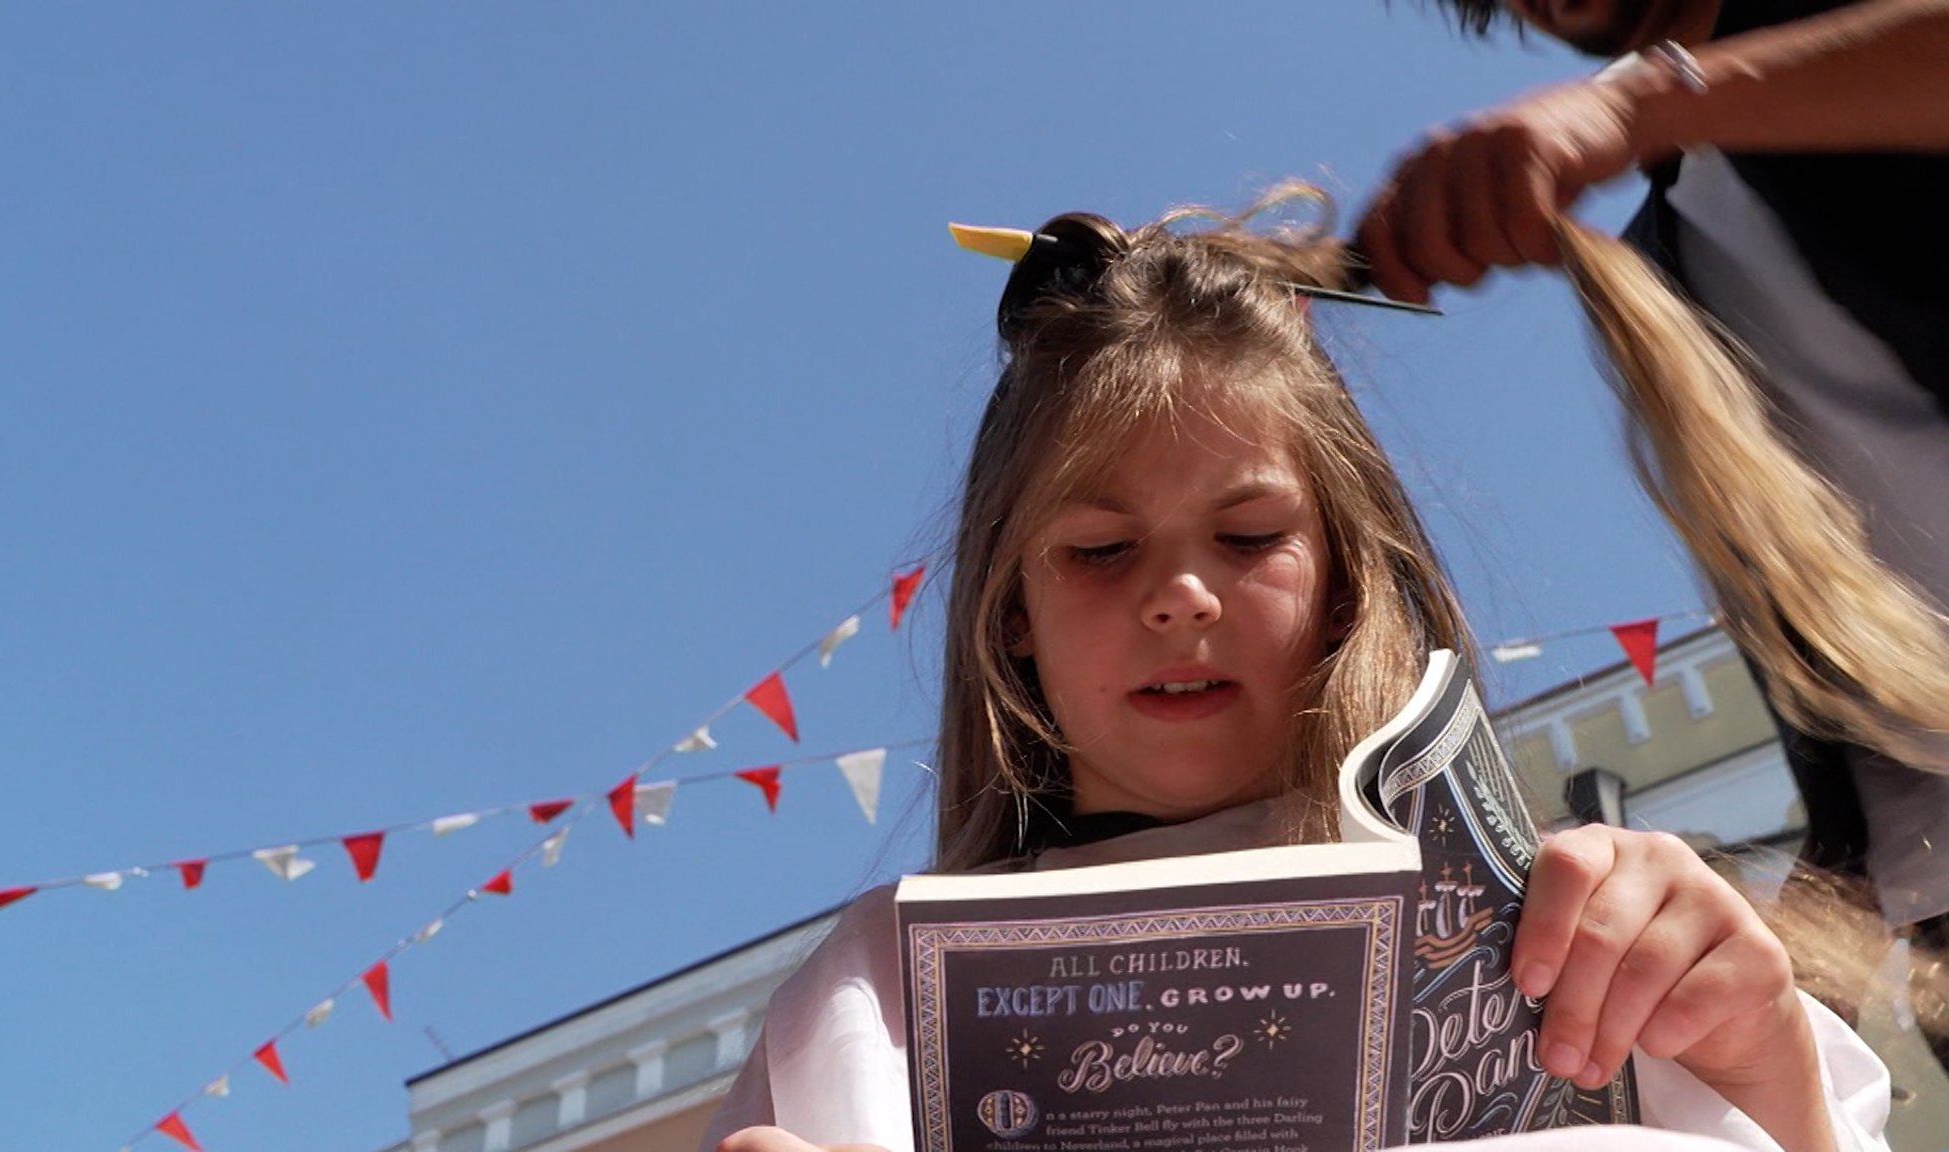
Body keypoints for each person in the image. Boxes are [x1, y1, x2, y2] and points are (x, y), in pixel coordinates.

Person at [700, 193, 1891, 1152]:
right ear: (1011, 612)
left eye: (1249, 535)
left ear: (1342, 577)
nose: (1179, 596)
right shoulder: (874, 998)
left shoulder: (1581, 938)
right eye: (1101, 551)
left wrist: (1765, 1057)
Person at [1354, 0, 1949, 1015]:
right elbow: (1832, 610)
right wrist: (1830, 905)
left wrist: (1638, 105)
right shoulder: (1665, 254)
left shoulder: (1864, 41)